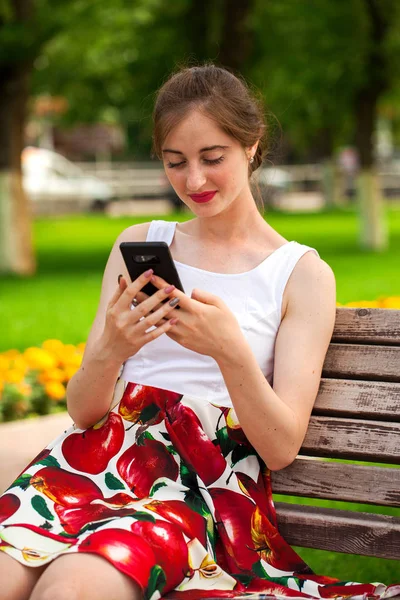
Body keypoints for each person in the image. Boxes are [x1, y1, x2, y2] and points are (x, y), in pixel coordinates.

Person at [0, 64, 398, 600]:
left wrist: (230, 352)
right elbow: (85, 411)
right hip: (96, 462)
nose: (194, 181)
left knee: (77, 582)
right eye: (175, 162)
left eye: (213, 158)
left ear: (252, 145)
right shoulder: (138, 243)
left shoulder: (300, 275)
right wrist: (110, 352)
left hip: (198, 487)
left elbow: (280, 447)